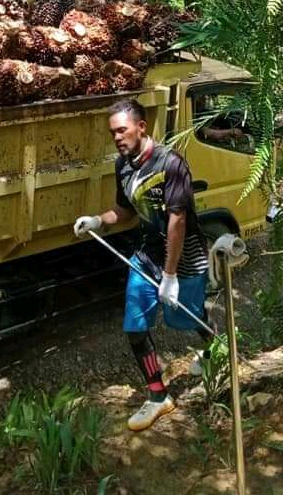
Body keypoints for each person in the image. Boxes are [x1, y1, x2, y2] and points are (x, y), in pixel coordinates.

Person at [74, 98, 209, 432]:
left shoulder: (171, 163)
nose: (117, 137)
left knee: (187, 316)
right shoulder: (123, 166)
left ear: (141, 127)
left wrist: (171, 276)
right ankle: (158, 396)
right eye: (113, 133)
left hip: (185, 256)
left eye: (122, 130)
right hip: (147, 253)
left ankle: (216, 350)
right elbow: (125, 212)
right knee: (135, 326)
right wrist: (97, 221)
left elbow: (177, 220)